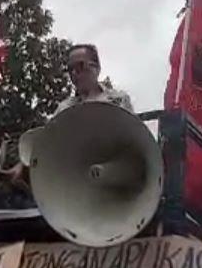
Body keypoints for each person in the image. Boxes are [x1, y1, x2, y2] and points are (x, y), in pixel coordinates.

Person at [10, 44, 134, 185]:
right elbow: (47, 141)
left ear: (96, 68)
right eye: (70, 70)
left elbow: (132, 142)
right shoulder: (64, 108)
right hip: (77, 181)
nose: (74, 73)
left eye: (80, 66)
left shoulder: (118, 100)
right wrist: (22, 165)